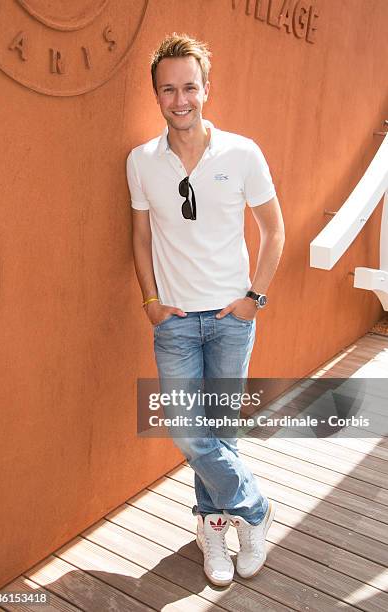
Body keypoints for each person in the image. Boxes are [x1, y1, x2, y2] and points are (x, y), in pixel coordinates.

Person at [127, 33, 285, 587]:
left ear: (205, 88)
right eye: (168, 89)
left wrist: (253, 299)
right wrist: (149, 300)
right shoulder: (142, 161)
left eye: (189, 87)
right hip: (173, 323)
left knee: (220, 432)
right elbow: (141, 236)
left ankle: (212, 529)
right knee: (189, 429)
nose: (180, 99)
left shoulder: (243, 153)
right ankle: (255, 509)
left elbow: (274, 230)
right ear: (156, 94)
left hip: (229, 320)